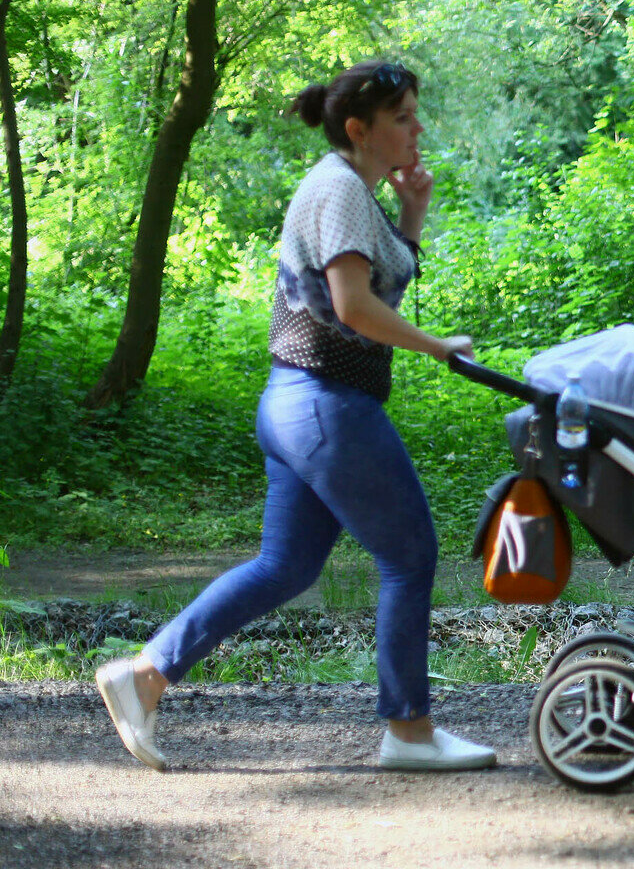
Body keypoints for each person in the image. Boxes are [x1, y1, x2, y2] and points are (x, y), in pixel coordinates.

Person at [94, 61, 495, 773]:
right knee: (409, 555)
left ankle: (145, 675)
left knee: (285, 566)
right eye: (402, 116)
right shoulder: (339, 188)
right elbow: (354, 308)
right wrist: (438, 347)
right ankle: (409, 732)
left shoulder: (353, 192)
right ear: (358, 129)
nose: (418, 127)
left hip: (296, 402)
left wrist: (412, 217)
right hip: (326, 406)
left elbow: (373, 286)